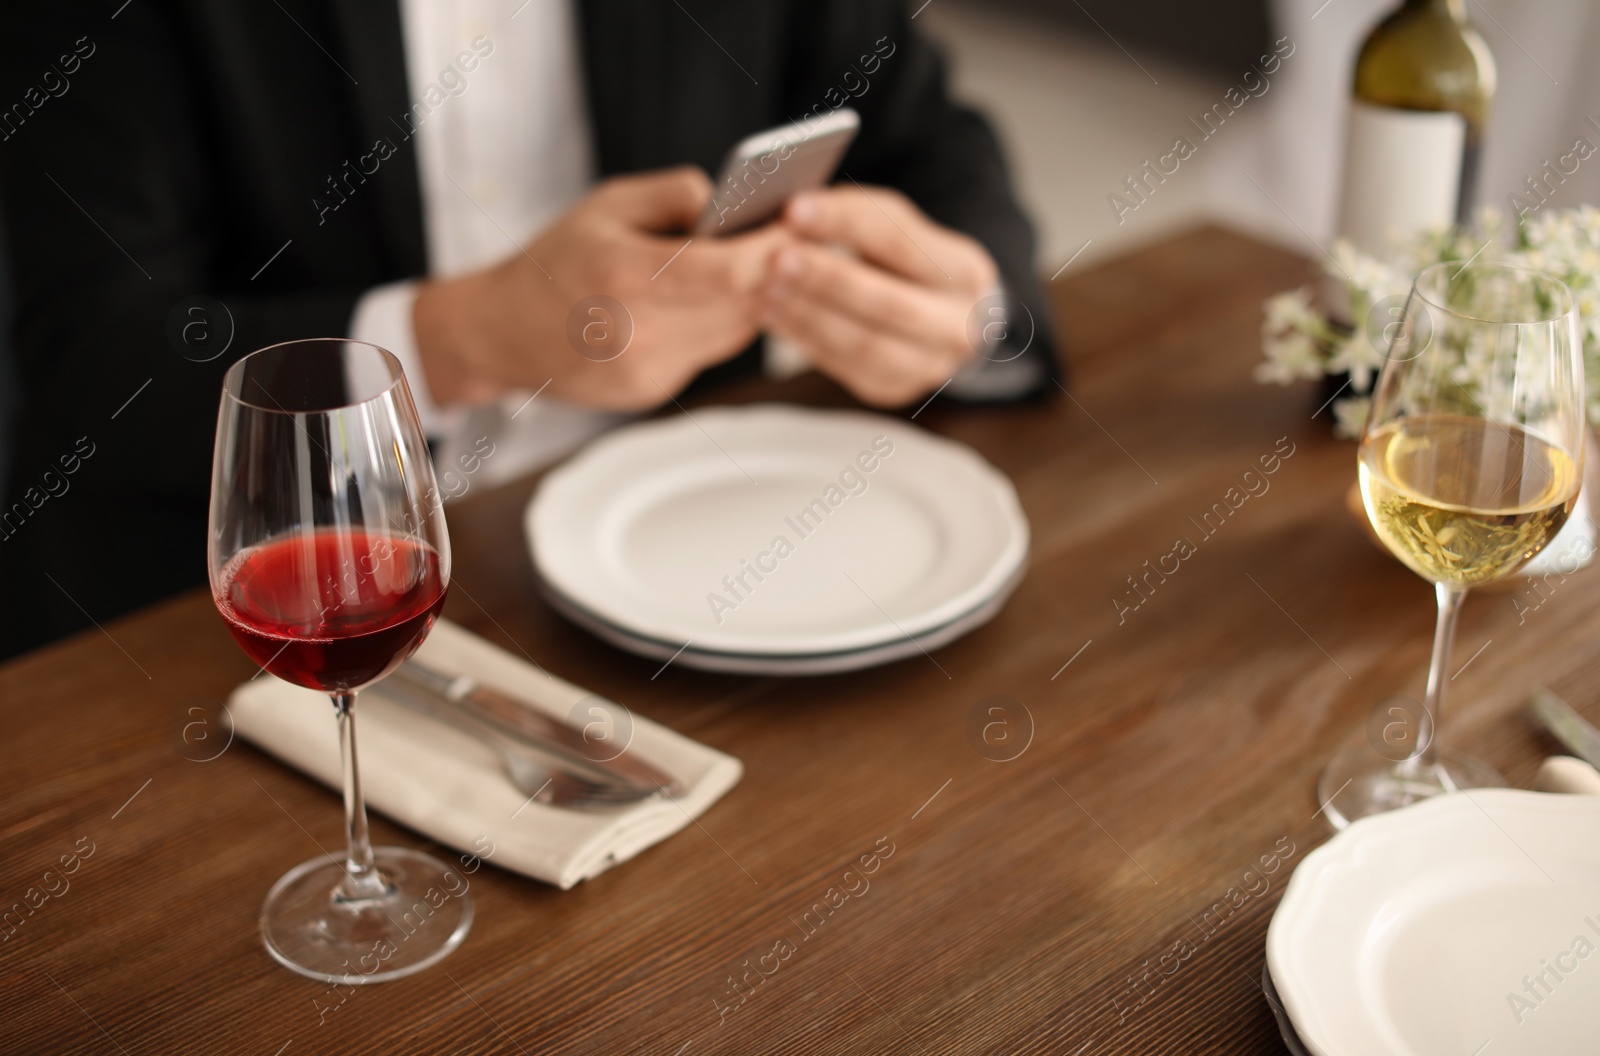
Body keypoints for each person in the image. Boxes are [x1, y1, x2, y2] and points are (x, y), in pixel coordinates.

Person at [0, 0, 1056, 659]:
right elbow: (94, 355)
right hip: (230, 624)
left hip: (709, 574)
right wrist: (458, 338)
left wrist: (973, 315)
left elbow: (928, 137)